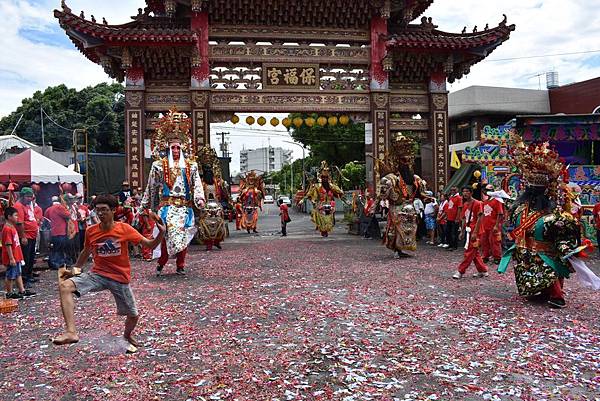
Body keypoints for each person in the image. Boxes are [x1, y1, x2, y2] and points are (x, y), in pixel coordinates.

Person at [51, 194, 165, 346]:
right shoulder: (91, 231)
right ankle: (71, 332)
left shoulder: (124, 229)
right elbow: (86, 251)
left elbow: (149, 245)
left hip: (119, 277)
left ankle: (127, 335)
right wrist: (75, 270)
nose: (100, 214)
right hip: (98, 274)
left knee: (133, 315)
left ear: (113, 211)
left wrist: (161, 233)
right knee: (65, 286)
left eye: (104, 210)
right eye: (98, 210)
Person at [498, 140, 590, 309]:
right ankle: (542, 292)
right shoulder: (520, 208)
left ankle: (557, 296)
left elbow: (564, 230)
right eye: (531, 190)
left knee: (549, 268)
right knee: (529, 269)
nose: (533, 194)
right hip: (524, 249)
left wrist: (565, 246)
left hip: (544, 249)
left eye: (536, 191)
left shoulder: (554, 211)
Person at [140, 109, 205, 276]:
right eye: (173, 147)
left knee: (183, 236)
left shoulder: (191, 165)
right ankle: (162, 261)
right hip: (167, 207)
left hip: (184, 207)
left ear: (183, 148)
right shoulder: (159, 165)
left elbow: (197, 183)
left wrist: (199, 198)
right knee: (166, 235)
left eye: (178, 147)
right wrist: (148, 207)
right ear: (168, 148)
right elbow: (152, 187)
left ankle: (180, 264)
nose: (176, 150)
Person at [377, 134, 421, 257]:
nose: (406, 163)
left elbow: (421, 192)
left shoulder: (413, 177)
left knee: (409, 229)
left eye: (408, 160)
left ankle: (402, 249)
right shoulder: (390, 178)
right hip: (396, 207)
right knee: (397, 229)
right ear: (397, 161)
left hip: (409, 206)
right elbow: (383, 196)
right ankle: (397, 249)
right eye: (403, 160)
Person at [453, 187, 488, 279]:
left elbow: (480, 218)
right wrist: (462, 231)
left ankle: (460, 271)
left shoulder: (478, 203)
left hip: (476, 231)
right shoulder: (465, 204)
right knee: (474, 252)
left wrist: (475, 232)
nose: (465, 193)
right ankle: (483, 270)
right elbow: (464, 219)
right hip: (469, 230)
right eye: (463, 191)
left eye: (467, 191)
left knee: (469, 251)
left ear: (471, 193)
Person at [197, 146, 228, 250]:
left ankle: (217, 241)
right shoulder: (201, 183)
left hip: (216, 205)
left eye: (210, 170)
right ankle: (208, 243)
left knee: (219, 224)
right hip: (205, 207)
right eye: (206, 170)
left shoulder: (218, 182)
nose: (208, 172)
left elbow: (224, 194)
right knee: (206, 226)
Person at [2, 207, 36, 299]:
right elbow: (8, 244)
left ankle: (22, 290)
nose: (17, 217)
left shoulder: (12, 227)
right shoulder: (7, 229)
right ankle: (9, 293)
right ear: (9, 217)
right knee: (10, 275)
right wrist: (11, 258)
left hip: (16, 255)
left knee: (18, 273)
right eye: (15, 215)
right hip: (12, 256)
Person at [306, 161, 345, 237]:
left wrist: (342, 197)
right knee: (322, 220)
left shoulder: (331, 186)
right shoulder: (317, 186)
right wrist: (313, 201)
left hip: (330, 205)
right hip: (321, 205)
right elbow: (310, 195)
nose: (325, 179)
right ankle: (323, 231)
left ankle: (326, 230)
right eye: (323, 177)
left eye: (326, 178)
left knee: (328, 220)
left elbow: (339, 193)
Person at [13, 187, 40, 287]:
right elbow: (19, 223)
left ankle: (29, 275)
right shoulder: (18, 206)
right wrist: (23, 237)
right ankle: (24, 278)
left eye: (31, 197)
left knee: (31, 257)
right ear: (22, 196)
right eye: (28, 197)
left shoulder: (27, 205)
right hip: (26, 236)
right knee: (25, 257)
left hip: (32, 235)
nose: (30, 199)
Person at [44, 196, 72, 270]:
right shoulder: (59, 207)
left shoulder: (48, 209)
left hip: (52, 232)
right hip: (60, 232)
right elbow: (68, 215)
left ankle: (54, 263)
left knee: (54, 249)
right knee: (60, 249)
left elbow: (46, 220)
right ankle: (58, 264)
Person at [480, 184, 504, 264]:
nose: (487, 192)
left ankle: (497, 257)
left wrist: (496, 225)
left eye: (489, 190)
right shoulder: (485, 202)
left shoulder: (497, 201)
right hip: (485, 225)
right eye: (485, 191)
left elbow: (500, 214)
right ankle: (485, 256)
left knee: (495, 242)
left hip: (494, 226)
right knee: (484, 241)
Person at [444, 186, 462, 251]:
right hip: (449, 218)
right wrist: (446, 216)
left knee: (454, 233)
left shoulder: (459, 198)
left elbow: (459, 208)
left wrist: (457, 218)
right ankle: (450, 244)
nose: (452, 191)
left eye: (454, 190)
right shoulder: (451, 197)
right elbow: (449, 207)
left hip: (454, 218)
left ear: (457, 190)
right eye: (451, 190)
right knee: (448, 232)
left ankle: (454, 246)